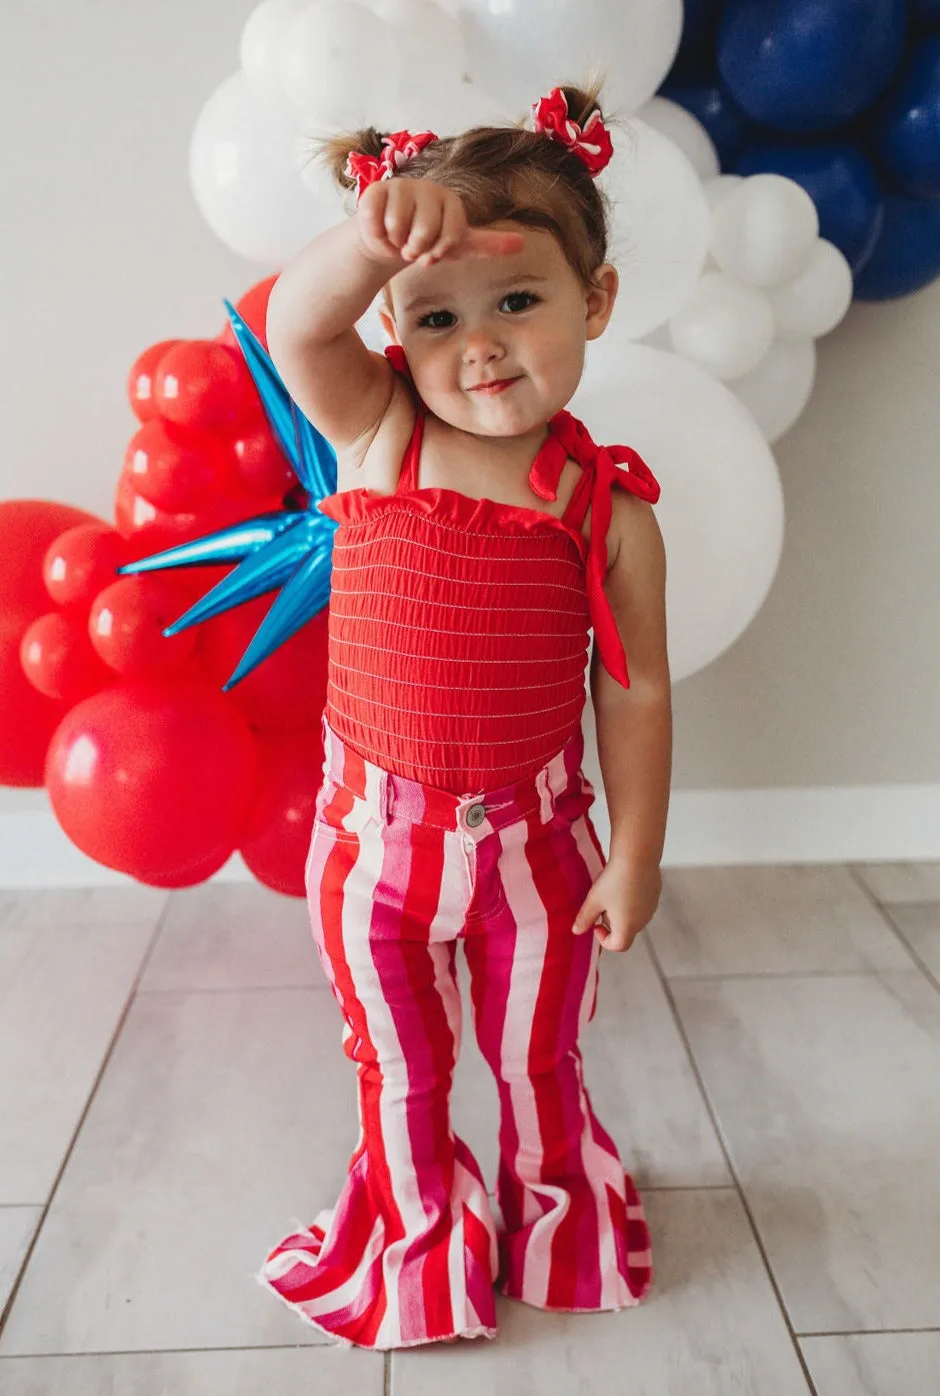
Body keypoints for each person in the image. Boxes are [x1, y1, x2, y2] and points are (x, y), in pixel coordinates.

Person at [257, 81, 672, 1351]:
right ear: (390, 326)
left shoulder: (605, 507)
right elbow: (293, 329)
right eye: (435, 316)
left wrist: (640, 853)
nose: (477, 346)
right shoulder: (381, 431)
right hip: (374, 852)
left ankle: (561, 1212)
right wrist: (369, 241)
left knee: (539, 1059)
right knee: (403, 1067)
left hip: (534, 854)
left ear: (593, 302)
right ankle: (418, 1240)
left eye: (517, 302)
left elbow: (635, 684)